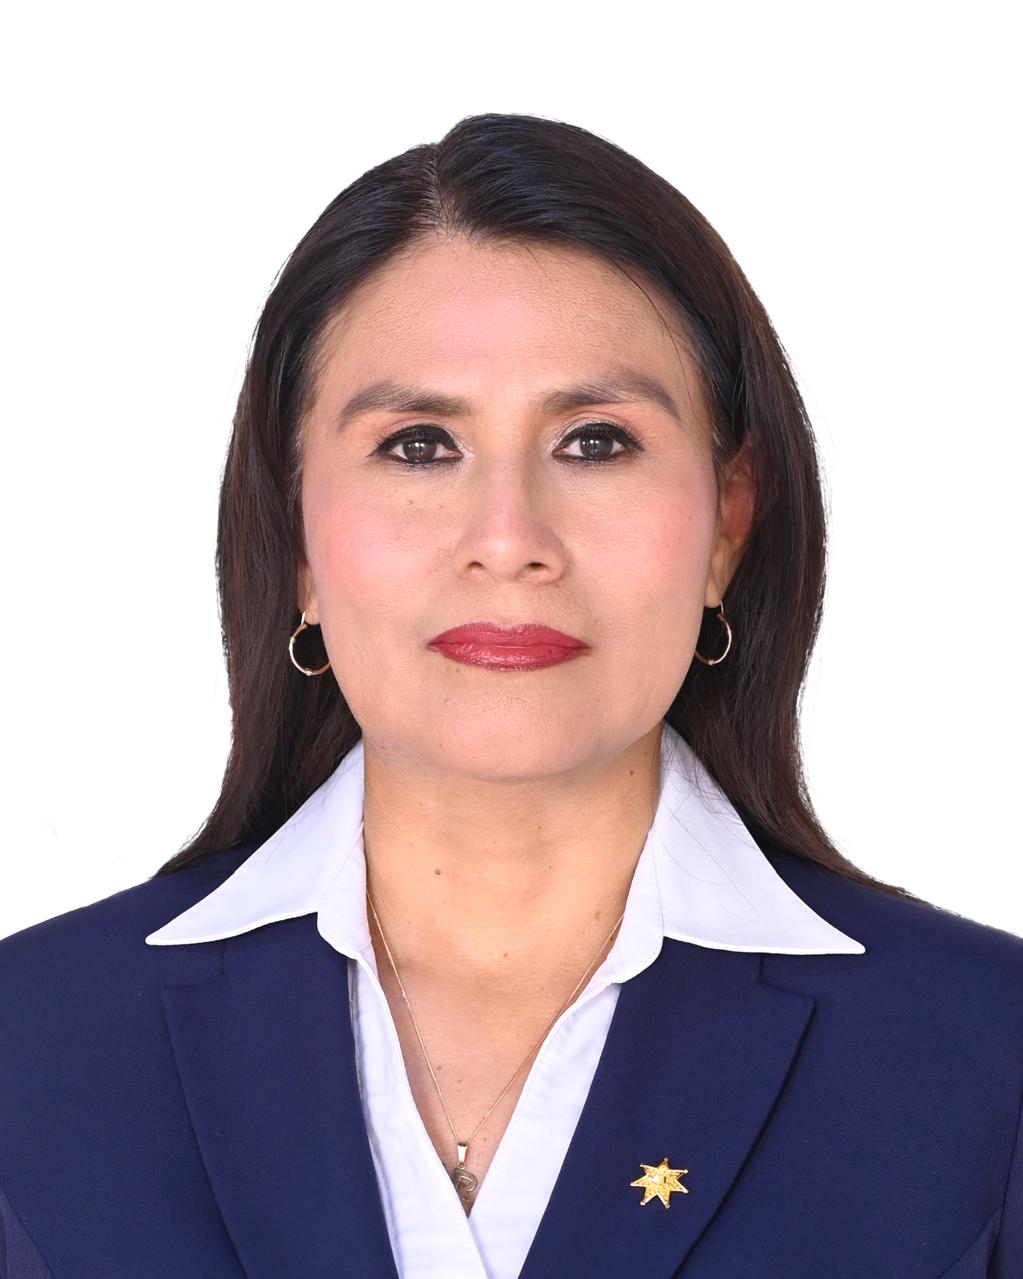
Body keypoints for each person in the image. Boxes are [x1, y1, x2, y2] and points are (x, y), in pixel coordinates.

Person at [1, 113, 1020, 1279]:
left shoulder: (988, 1062)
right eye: (418, 444)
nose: (507, 537)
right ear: (296, 534)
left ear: (728, 523)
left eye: (596, 441)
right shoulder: (30, 1047)